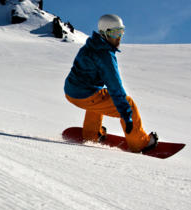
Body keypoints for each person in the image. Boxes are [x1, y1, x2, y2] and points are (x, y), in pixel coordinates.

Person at [64, 14, 158, 152]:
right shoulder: (105, 54)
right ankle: (140, 143)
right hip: (84, 96)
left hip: (71, 92)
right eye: (114, 33)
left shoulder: (90, 46)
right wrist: (127, 115)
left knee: (99, 95)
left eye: (121, 32)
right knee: (128, 104)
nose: (119, 37)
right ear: (104, 33)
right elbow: (115, 86)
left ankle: (91, 134)